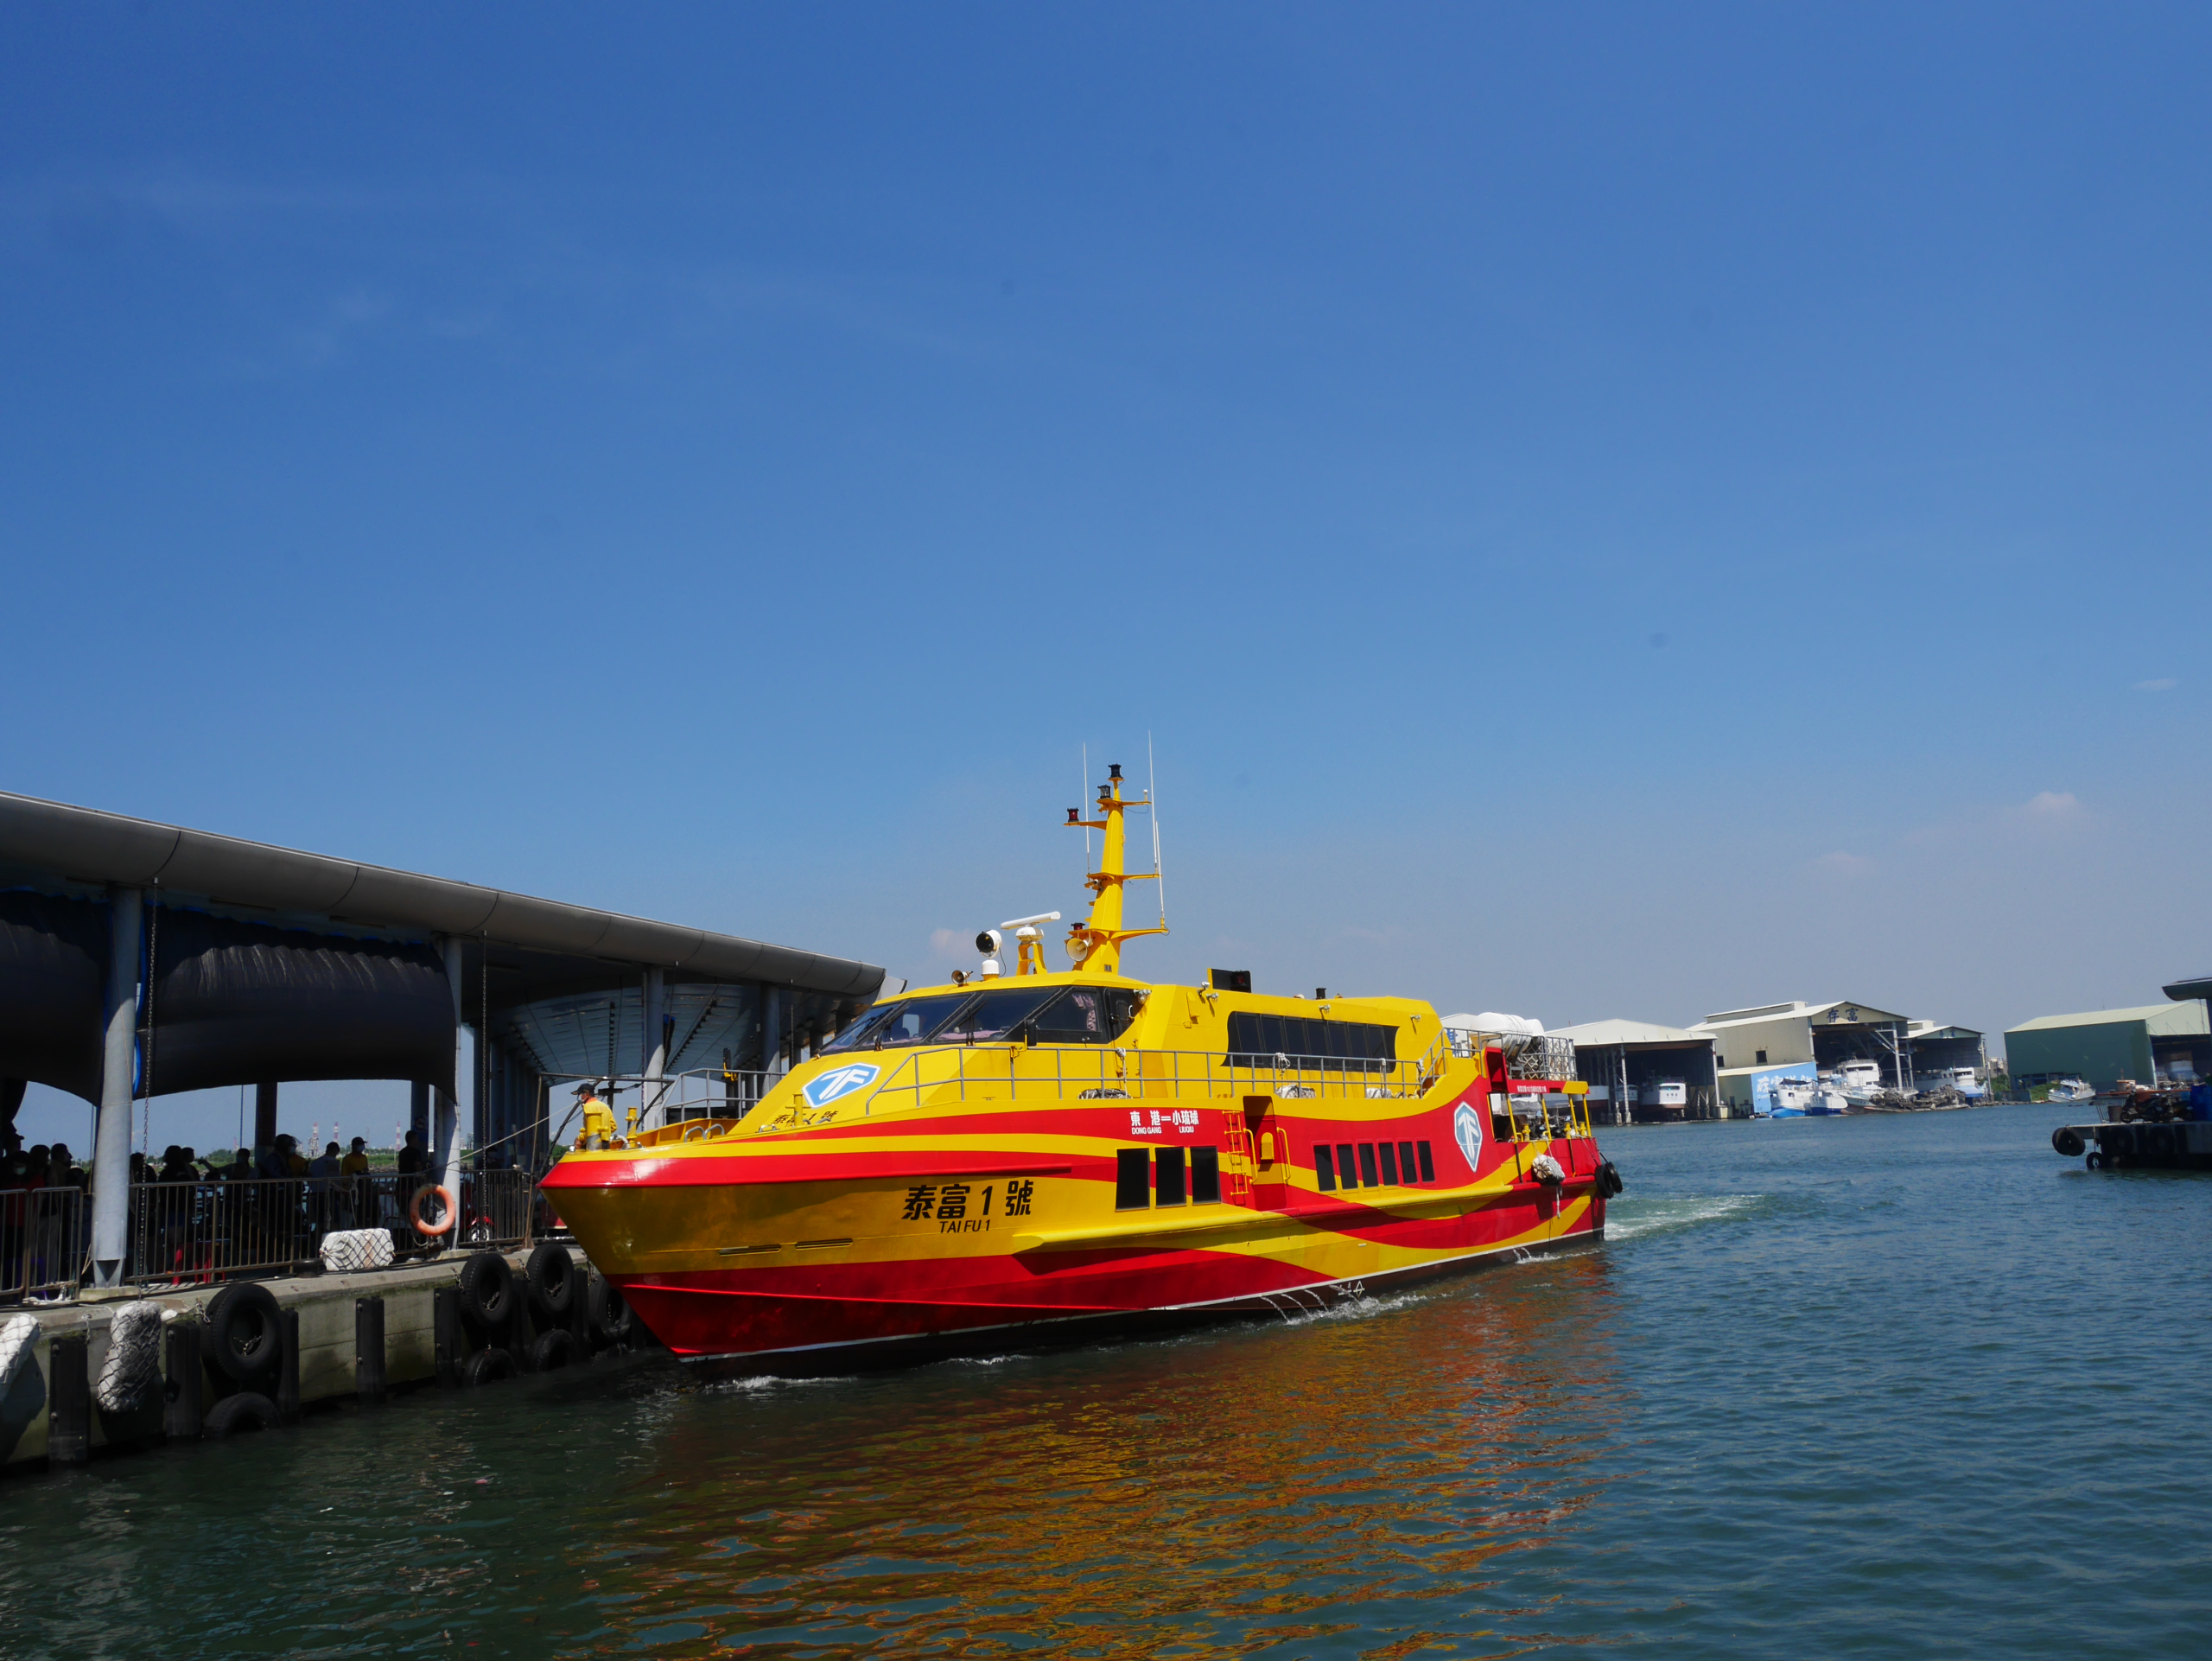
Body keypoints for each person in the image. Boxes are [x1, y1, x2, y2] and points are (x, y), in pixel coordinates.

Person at [574, 1082, 618, 1150]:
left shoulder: (587, 1107)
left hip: (592, 1145)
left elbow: (590, 1130)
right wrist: (603, 1134)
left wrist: (580, 1138)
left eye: (581, 1094)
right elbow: (613, 1127)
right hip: (605, 1144)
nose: (580, 1097)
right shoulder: (605, 1106)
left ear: (587, 1094)